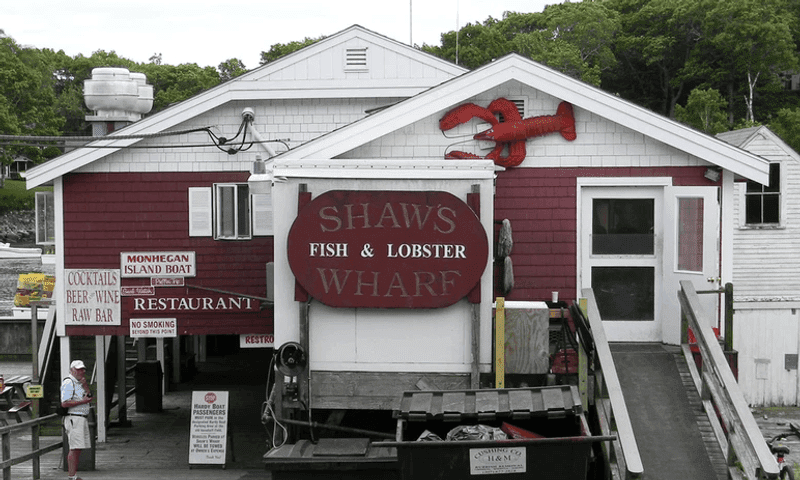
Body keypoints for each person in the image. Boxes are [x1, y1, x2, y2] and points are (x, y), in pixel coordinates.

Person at [61, 360, 93, 480]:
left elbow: (89, 397)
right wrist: (83, 401)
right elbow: (64, 403)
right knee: (74, 448)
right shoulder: (69, 382)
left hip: (81, 417)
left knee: (78, 447)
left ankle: (73, 475)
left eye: (83, 369)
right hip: (74, 417)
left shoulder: (79, 383)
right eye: (79, 369)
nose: (82, 371)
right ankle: (71, 476)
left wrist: (85, 386)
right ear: (72, 370)